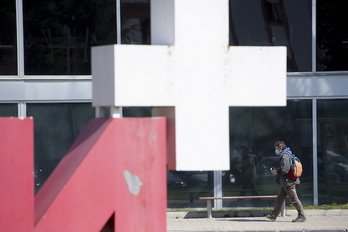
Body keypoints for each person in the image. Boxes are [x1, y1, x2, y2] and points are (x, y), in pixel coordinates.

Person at [266, 141, 306, 222]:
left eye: (276, 149)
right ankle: (273, 215)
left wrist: (276, 171)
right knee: (279, 199)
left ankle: (302, 216)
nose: (276, 150)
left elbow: (285, 169)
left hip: (288, 182)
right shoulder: (288, 154)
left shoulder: (284, 156)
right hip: (285, 182)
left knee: (294, 199)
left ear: (280, 148)